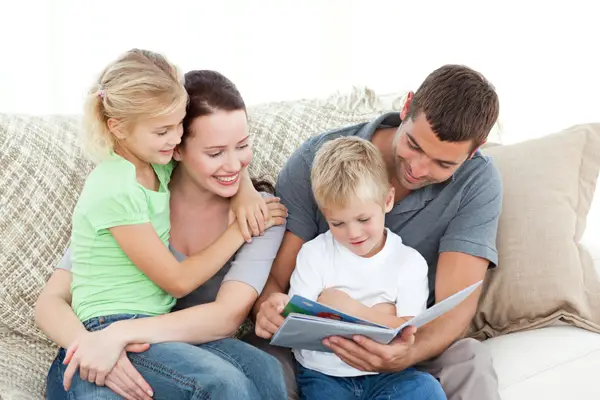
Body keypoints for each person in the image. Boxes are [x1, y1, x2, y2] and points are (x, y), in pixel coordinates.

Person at [35, 50, 287, 400]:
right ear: (179, 149)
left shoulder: (159, 172)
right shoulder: (124, 189)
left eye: (243, 146)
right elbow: (53, 299)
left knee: (264, 372)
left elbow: (227, 317)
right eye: (214, 153)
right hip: (104, 327)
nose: (233, 163)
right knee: (223, 383)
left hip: (154, 331)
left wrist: (245, 189)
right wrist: (101, 341)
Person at [250, 64, 503, 400]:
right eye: (413, 144)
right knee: (260, 366)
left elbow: (453, 308)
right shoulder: (318, 163)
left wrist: (405, 355)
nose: (417, 169)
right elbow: (276, 283)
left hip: (409, 343)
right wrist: (267, 307)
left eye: (443, 164)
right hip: (319, 354)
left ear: (475, 149)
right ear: (407, 106)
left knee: (470, 359)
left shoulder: (477, 181)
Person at [289, 136, 447, 400]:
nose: (353, 233)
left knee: (426, 389)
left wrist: (350, 309)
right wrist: (384, 317)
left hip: (388, 374)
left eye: (363, 219)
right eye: (337, 223)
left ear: (387, 200)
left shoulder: (408, 263)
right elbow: (299, 322)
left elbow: (407, 332)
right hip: (324, 373)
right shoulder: (315, 254)